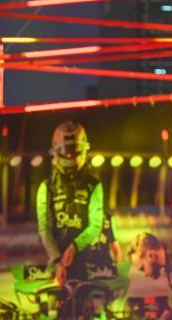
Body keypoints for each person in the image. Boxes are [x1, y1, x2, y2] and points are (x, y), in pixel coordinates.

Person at [36, 121, 116, 285]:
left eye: (74, 153)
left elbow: (95, 225)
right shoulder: (46, 188)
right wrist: (57, 260)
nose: (70, 157)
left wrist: (75, 247)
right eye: (66, 154)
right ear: (56, 153)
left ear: (83, 151)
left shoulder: (94, 186)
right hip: (57, 266)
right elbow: (44, 229)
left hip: (89, 264)